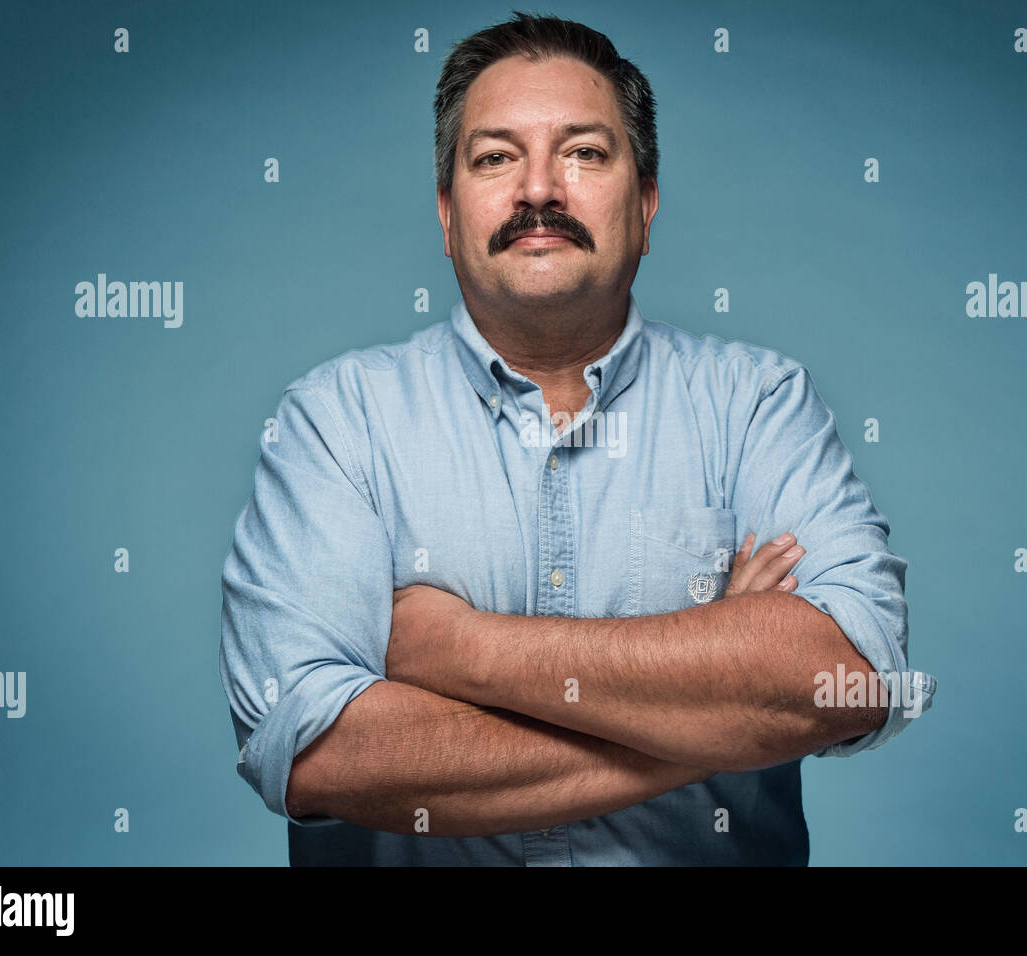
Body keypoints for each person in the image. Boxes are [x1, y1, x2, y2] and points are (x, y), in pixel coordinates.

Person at [219, 11, 935, 866]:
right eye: (495, 157)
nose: (538, 191)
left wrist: (460, 650)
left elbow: (851, 675)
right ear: (447, 216)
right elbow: (320, 752)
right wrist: (717, 690)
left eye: (585, 152)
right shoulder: (337, 422)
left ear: (646, 199)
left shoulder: (758, 404)